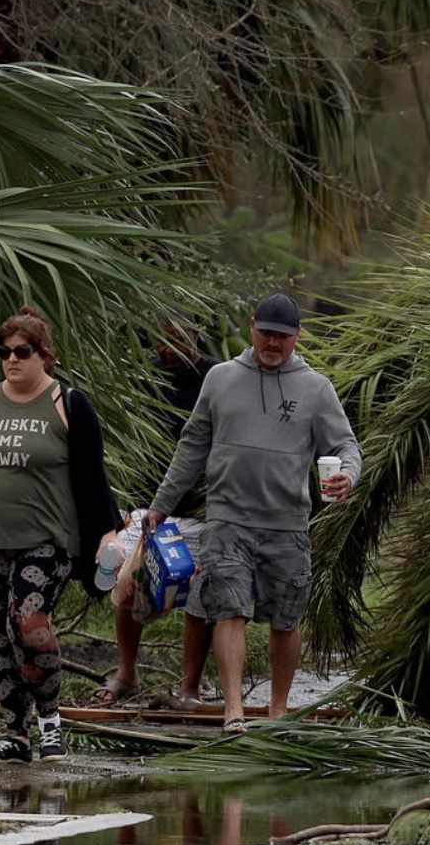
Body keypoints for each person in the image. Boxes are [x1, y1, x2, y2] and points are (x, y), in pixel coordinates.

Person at [143, 292, 361, 733]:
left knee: (287, 617)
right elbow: (192, 446)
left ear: (298, 336)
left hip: (286, 524)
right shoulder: (221, 379)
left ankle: (278, 710)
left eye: (283, 336)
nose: (273, 343)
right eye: (266, 333)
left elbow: (346, 446)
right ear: (251, 327)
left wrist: (349, 476)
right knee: (228, 609)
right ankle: (234, 710)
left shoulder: (316, 388)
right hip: (228, 521)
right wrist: (161, 505)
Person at [0, 306, 122, 763]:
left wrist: (106, 535)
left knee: (29, 623)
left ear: (45, 356)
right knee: (1, 636)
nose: (12, 359)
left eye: (22, 351)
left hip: (47, 539)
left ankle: (51, 724)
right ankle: (16, 736)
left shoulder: (68, 403)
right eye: (4, 352)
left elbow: (92, 478)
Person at [97, 317, 220, 708]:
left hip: (197, 505)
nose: (166, 349)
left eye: (176, 340)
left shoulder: (215, 378)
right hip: (144, 500)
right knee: (127, 583)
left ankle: (189, 687)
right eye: (161, 340)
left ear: (195, 333)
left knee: (200, 593)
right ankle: (127, 672)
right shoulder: (144, 376)